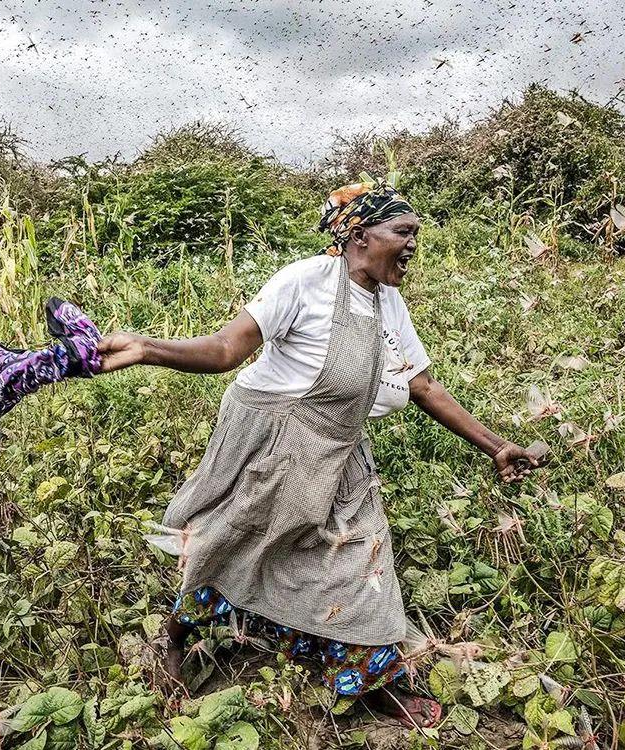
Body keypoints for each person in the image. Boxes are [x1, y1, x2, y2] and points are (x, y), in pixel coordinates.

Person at [96, 179, 542, 727]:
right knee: (233, 544)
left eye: (415, 235)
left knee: (363, 559)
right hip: (277, 439)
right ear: (359, 235)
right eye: (402, 232)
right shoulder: (304, 281)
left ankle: (377, 686)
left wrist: (497, 446)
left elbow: (423, 387)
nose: (412, 245)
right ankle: (175, 643)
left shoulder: (387, 303)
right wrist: (147, 348)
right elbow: (226, 349)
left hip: (341, 446)